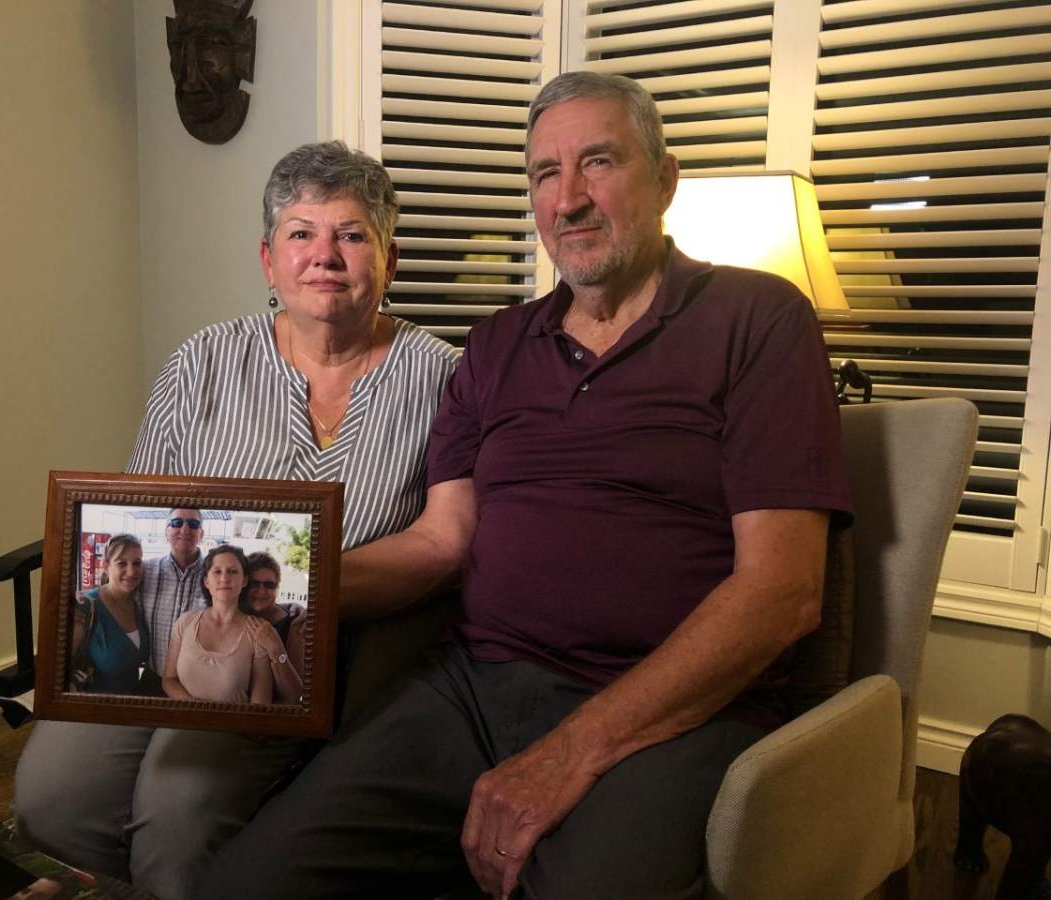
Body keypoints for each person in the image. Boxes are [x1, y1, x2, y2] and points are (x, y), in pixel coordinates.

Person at [197, 72, 853, 900]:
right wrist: (282, 586)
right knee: (251, 881)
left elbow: (782, 592)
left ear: (665, 179)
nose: (568, 198)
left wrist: (571, 751)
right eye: (546, 173)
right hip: (474, 688)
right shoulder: (495, 345)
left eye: (598, 162)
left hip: (677, 709)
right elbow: (442, 539)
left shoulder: (757, 319)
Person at [13, 140, 459, 900]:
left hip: (321, 652)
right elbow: (142, 517)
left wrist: (302, 595)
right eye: (301, 233)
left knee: (178, 807)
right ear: (268, 260)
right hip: (169, 627)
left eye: (352, 235)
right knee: (52, 795)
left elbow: (449, 544)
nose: (324, 256)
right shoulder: (204, 360)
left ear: (389, 260)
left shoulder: (447, 376)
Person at [163, 545, 294, 704]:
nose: (224, 578)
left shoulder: (259, 631)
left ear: (244, 580)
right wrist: (195, 710)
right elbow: (169, 679)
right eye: (217, 571)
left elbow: (260, 704)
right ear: (206, 581)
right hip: (184, 716)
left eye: (232, 571)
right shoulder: (185, 622)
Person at [138, 507, 208, 694]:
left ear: (201, 533)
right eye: (177, 523)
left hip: (199, 686)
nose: (185, 529)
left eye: (193, 524)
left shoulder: (215, 575)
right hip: (153, 680)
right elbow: (116, 591)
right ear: (166, 531)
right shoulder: (145, 571)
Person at [69, 533, 149, 694]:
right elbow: (61, 667)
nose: (131, 572)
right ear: (105, 566)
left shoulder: (139, 603)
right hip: (95, 705)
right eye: (122, 563)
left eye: (137, 563)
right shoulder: (85, 607)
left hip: (132, 702)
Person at [242, 551, 307, 697]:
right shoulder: (237, 616)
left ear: (277, 588)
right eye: (254, 584)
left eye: (269, 585)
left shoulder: (294, 622)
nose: (261, 591)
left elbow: (294, 694)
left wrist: (276, 649)